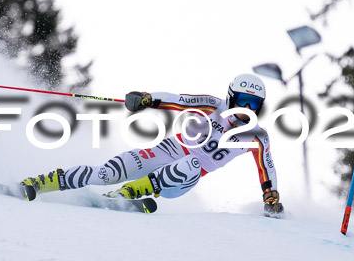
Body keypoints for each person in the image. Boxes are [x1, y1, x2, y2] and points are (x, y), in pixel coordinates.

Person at [18, 73, 284, 216]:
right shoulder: (211, 104)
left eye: (253, 104)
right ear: (230, 97)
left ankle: (125, 194)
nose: (246, 109)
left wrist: (270, 197)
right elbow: (176, 99)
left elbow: (266, 169)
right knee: (105, 173)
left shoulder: (256, 136)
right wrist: (147, 99)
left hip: (181, 179)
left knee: (191, 162)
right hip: (164, 152)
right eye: (242, 101)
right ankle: (39, 183)